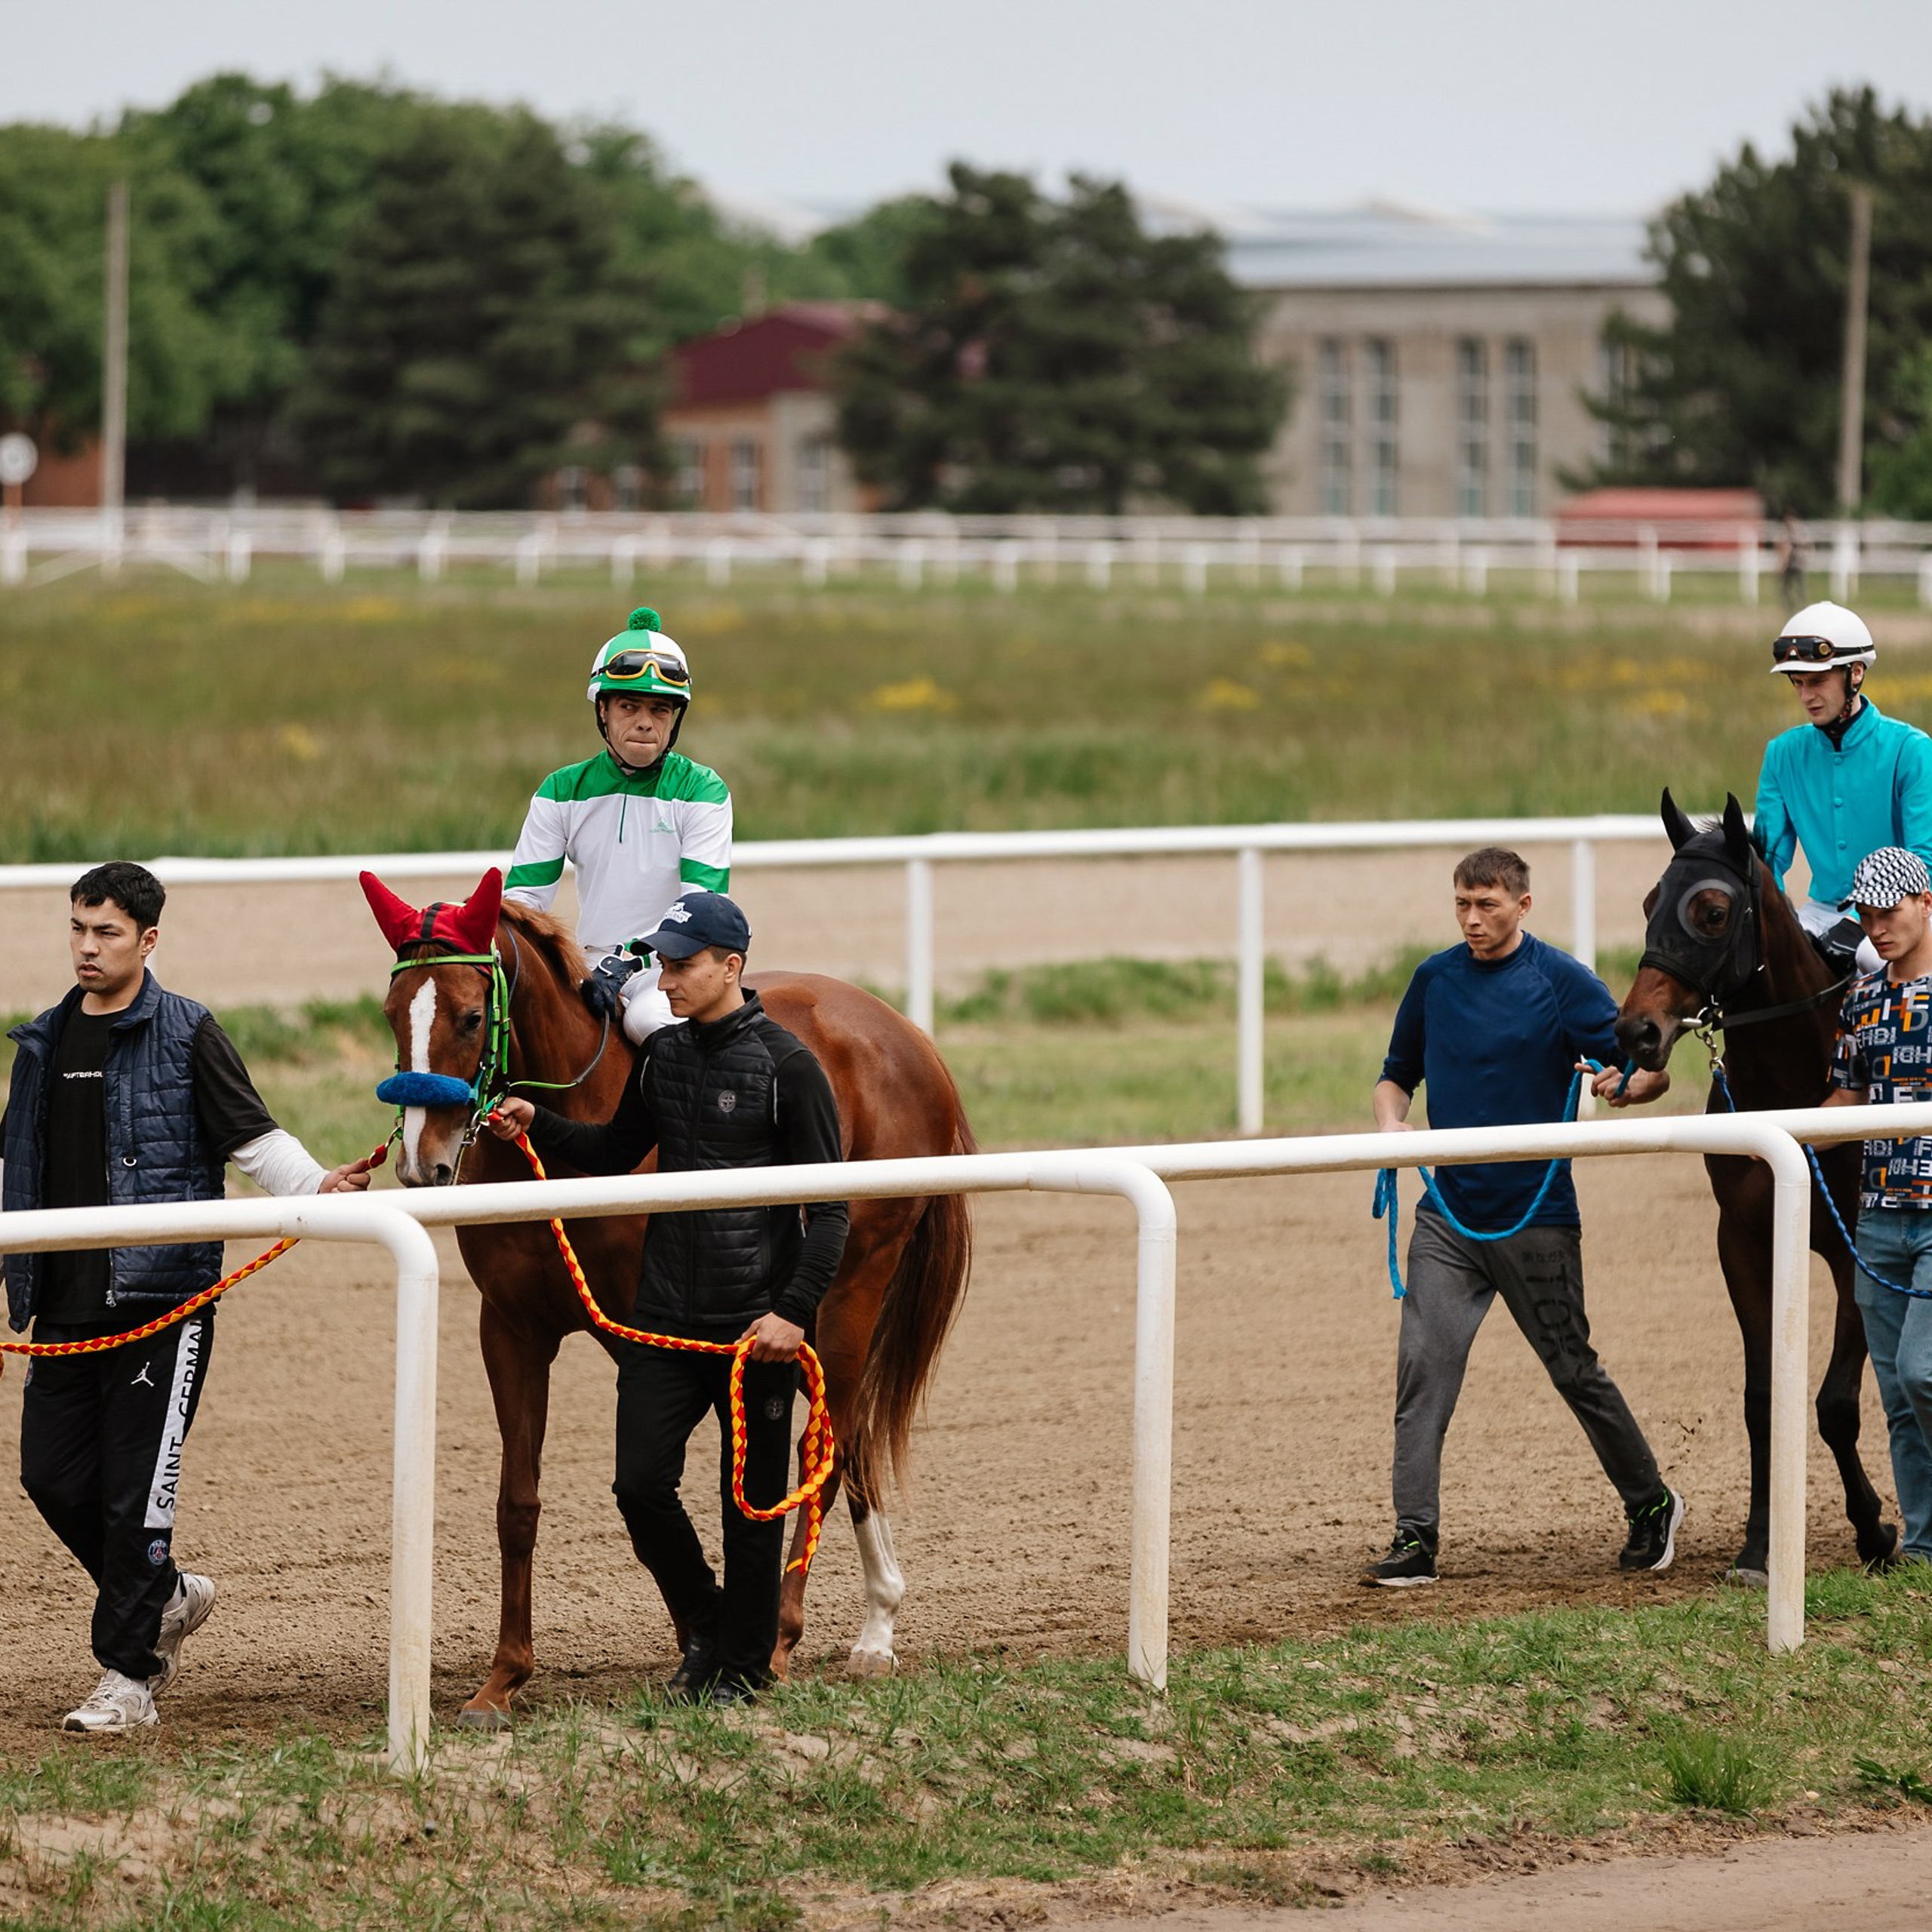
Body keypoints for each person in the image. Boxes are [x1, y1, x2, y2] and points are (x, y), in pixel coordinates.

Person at [2, 862, 374, 1734]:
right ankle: (166, 1594)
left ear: (148, 940)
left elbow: (252, 1136)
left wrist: (318, 1185)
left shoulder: (187, 1030)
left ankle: (127, 1679)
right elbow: (16, 1167)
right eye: (79, 929)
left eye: (108, 933)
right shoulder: (45, 1040)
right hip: (62, 1304)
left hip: (161, 1305)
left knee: (136, 1498)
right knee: (49, 1477)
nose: (88, 947)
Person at [486, 891, 846, 1703]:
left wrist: (793, 1312)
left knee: (749, 1505)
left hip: (758, 1325)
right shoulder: (662, 1057)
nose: (667, 980)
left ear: (730, 966)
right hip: (664, 1320)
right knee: (638, 1487)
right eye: (662, 963)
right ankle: (714, 1626)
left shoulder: (791, 1069)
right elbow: (613, 1151)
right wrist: (535, 1121)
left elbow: (831, 1212)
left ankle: (742, 1672)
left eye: (682, 966)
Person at [1367, 847, 1681, 1587]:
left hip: (1536, 1215)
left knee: (1573, 1369)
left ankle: (1650, 1504)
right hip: (1446, 1215)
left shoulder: (1561, 981)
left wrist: (1628, 1085)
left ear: (1523, 905)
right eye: (1462, 906)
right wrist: (1389, 1125)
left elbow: (1650, 1063)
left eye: (1487, 906)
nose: (1472, 920)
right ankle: (1415, 1536)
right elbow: (1394, 1077)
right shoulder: (1432, 979)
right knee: (1422, 1370)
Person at [505, 605, 732, 1044]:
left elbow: (700, 909)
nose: (645, 721)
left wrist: (631, 960)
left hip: (672, 969)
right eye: (629, 706)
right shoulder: (560, 790)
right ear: (603, 711)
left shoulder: (704, 790)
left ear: (675, 718)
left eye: (660, 709)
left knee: (648, 1021)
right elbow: (524, 901)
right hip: (583, 965)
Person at [1822, 845, 1932, 1566]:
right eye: (1866, 913)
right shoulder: (1860, 1001)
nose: (1877, 925)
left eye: (1890, 911)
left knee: (1924, 1371)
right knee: (1895, 1390)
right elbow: (1843, 1099)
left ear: (1927, 904)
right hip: (1877, 1217)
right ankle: (1922, 1551)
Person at [1755, 601, 1932, 979]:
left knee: (1868, 956)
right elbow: (1767, 860)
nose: (1806, 697)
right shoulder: (1781, 754)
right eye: (1798, 683)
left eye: (1817, 681)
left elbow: (1923, 858)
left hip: (1902, 909)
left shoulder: (1912, 749)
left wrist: (1858, 921)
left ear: (1855, 674)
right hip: (1820, 911)